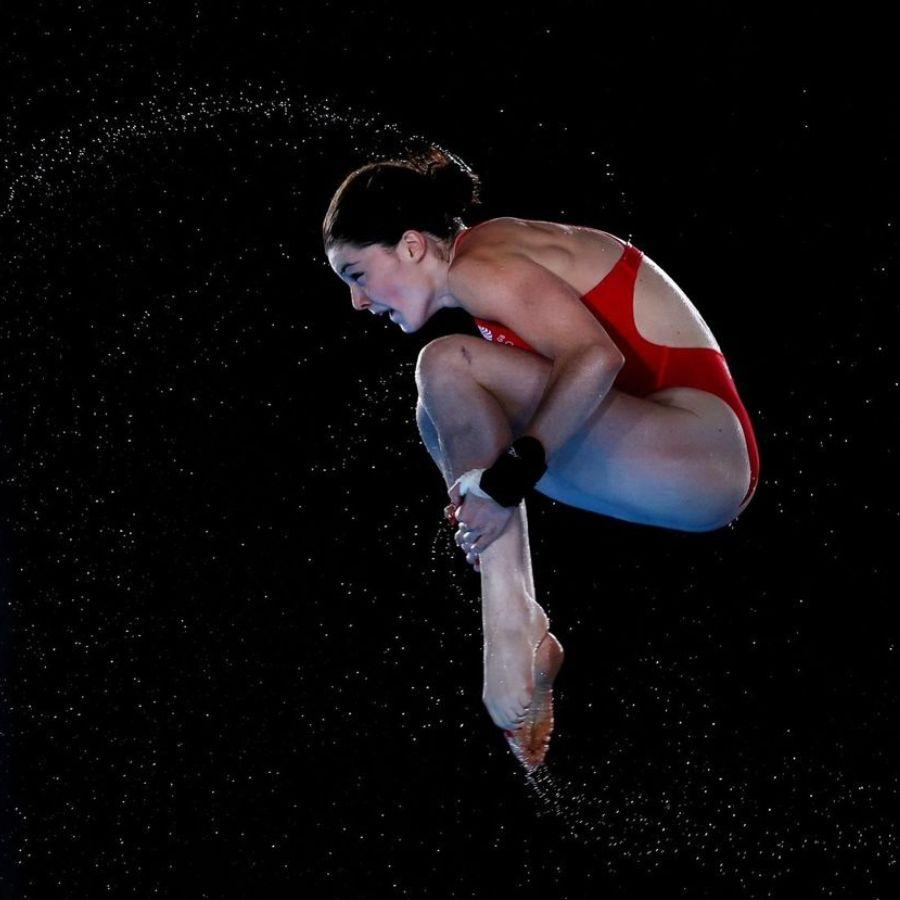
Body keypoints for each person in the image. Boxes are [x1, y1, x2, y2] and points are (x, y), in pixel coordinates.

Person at [322, 145, 761, 773]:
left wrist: (511, 476)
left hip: (703, 454)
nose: (358, 303)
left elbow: (596, 358)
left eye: (357, 275)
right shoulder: (483, 264)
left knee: (445, 365)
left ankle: (508, 628)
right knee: (435, 412)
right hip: (667, 456)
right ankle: (519, 621)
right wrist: (499, 480)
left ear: (413, 245)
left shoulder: (480, 265)